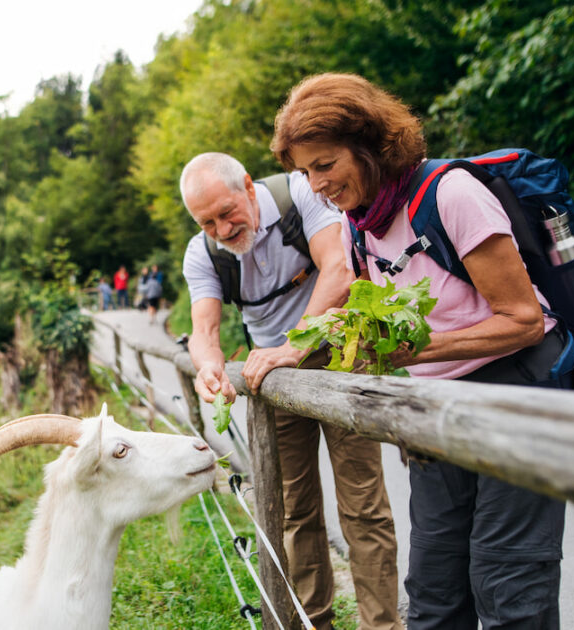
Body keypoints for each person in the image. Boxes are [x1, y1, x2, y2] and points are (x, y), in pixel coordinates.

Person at [271, 72, 569, 630]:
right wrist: (295, 348)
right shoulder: (357, 224)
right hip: (436, 407)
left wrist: (416, 351)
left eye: (326, 164)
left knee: (510, 590)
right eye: (305, 172)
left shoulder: (450, 195)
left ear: (369, 145)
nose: (316, 184)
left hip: (520, 392)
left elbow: (525, 320)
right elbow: (362, 318)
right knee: (433, 595)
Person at [180, 152, 402, 630]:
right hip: (272, 375)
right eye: (208, 221)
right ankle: (312, 622)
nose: (221, 228)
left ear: (248, 185)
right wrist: (209, 368)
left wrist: (292, 345)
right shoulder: (202, 253)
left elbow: (339, 270)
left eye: (227, 212)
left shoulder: (300, 194)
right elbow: (205, 330)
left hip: (340, 354)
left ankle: (382, 625)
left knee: (363, 507)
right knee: (294, 511)